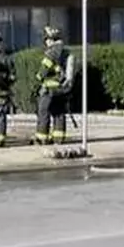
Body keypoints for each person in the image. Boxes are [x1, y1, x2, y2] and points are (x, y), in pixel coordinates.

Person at [33, 25, 83, 157]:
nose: (46, 43)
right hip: (62, 89)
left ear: (50, 39)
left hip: (49, 88)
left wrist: (38, 78)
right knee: (59, 113)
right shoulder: (66, 51)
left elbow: (44, 69)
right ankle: (59, 138)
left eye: (46, 40)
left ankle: (42, 137)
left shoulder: (52, 52)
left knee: (44, 112)